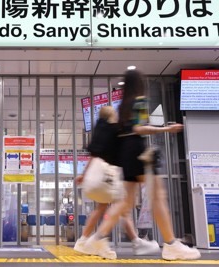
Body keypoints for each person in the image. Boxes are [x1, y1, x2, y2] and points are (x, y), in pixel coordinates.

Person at [81, 70, 201, 260]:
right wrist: (167, 129)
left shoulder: (122, 107)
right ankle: (171, 244)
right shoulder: (139, 101)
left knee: (126, 202)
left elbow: (125, 130)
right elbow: (138, 128)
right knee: (158, 196)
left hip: (126, 154)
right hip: (138, 151)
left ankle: (97, 238)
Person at [74, 106, 160, 256]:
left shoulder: (99, 131)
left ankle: (83, 240)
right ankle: (131, 241)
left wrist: (84, 174)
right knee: (123, 208)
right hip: (109, 177)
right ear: (112, 115)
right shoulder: (113, 130)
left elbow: (93, 156)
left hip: (98, 178)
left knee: (101, 208)